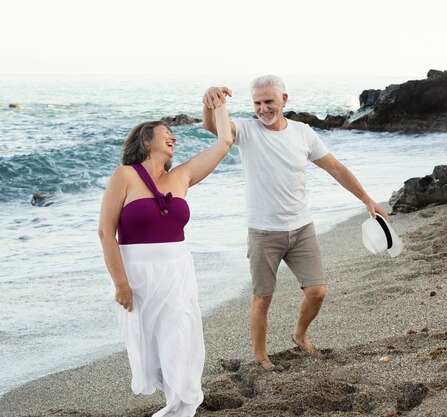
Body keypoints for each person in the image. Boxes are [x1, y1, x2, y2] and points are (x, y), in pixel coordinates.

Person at [202, 75, 387, 370]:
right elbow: (215, 128)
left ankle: (299, 335)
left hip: (302, 228)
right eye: (257, 103)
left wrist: (367, 200)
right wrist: (210, 103)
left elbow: (336, 168)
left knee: (317, 292)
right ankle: (261, 357)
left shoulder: (303, 133)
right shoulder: (247, 130)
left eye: (269, 102)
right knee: (262, 299)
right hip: (263, 231)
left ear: (284, 100)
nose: (263, 109)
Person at [98, 103, 233, 416]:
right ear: (147, 141)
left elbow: (224, 142)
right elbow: (106, 232)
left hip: (177, 271)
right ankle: (173, 399)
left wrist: (219, 105)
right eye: (167, 133)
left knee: (180, 337)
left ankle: (179, 406)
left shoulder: (182, 175)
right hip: (137, 273)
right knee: (149, 351)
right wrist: (121, 284)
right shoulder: (125, 176)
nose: (174, 138)